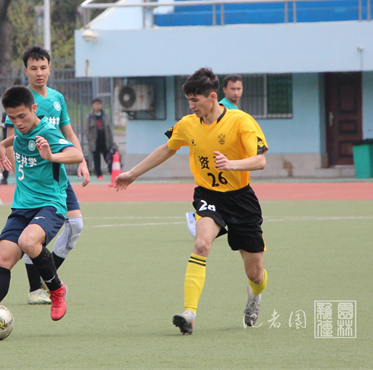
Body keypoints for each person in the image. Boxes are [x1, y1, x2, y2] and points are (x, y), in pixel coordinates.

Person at [114, 67, 269, 334]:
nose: (191, 105)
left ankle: (255, 295)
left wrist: (232, 164)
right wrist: (132, 173)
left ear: (212, 96)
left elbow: (261, 160)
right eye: (188, 100)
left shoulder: (240, 121)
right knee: (201, 243)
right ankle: (189, 313)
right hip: (208, 196)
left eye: (195, 100)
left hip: (241, 199)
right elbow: (167, 148)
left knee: (255, 274)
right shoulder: (187, 124)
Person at [0, 85, 83, 329]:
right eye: (12, 118)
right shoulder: (22, 131)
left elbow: (76, 155)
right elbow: (18, 137)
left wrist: (52, 157)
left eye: (22, 116)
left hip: (50, 205)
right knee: (2, 257)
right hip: (21, 207)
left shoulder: (47, 132)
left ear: (34, 109)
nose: (18, 123)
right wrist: (2, 146)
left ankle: (57, 290)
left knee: (27, 242)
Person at [1, 46, 90, 305]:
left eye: (43, 67)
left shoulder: (57, 98)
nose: (39, 72)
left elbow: (68, 134)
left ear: (50, 68)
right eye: (33, 68)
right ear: (25, 71)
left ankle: (44, 278)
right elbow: (13, 140)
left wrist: (82, 162)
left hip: (57, 172)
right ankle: (35, 290)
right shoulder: (20, 101)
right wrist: (18, 171)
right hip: (35, 180)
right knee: (32, 233)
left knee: (75, 225)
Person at [186, 73, 244, 237]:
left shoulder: (237, 113)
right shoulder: (221, 109)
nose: (236, 92)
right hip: (215, 179)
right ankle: (198, 217)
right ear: (223, 90)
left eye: (239, 88)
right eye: (232, 89)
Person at [86, 98, 114, 179]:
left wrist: (111, 141)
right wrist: (90, 139)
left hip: (104, 141)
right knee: (96, 158)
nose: (97, 106)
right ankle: (99, 174)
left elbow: (109, 129)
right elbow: (86, 130)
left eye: (99, 104)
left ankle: (112, 173)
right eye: (96, 104)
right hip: (95, 141)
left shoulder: (105, 115)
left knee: (108, 158)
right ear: (93, 105)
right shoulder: (90, 117)